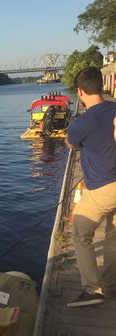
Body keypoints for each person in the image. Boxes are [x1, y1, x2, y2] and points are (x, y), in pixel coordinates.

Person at [65, 66, 116, 307]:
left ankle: (92, 289)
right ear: (102, 86)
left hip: (103, 188)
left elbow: (69, 143)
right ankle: (111, 285)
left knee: (80, 232)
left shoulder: (82, 122)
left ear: (80, 92)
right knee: (113, 237)